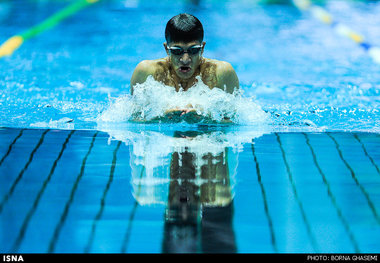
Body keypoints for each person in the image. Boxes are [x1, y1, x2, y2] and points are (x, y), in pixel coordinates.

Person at [130, 13, 239, 121]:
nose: (185, 59)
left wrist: (205, 117)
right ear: (167, 49)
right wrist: (162, 117)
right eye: (177, 51)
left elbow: (234, 122)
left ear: (203, 48)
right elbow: (133, 121)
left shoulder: (221, 72)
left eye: (193, 50)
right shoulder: (147, 72)